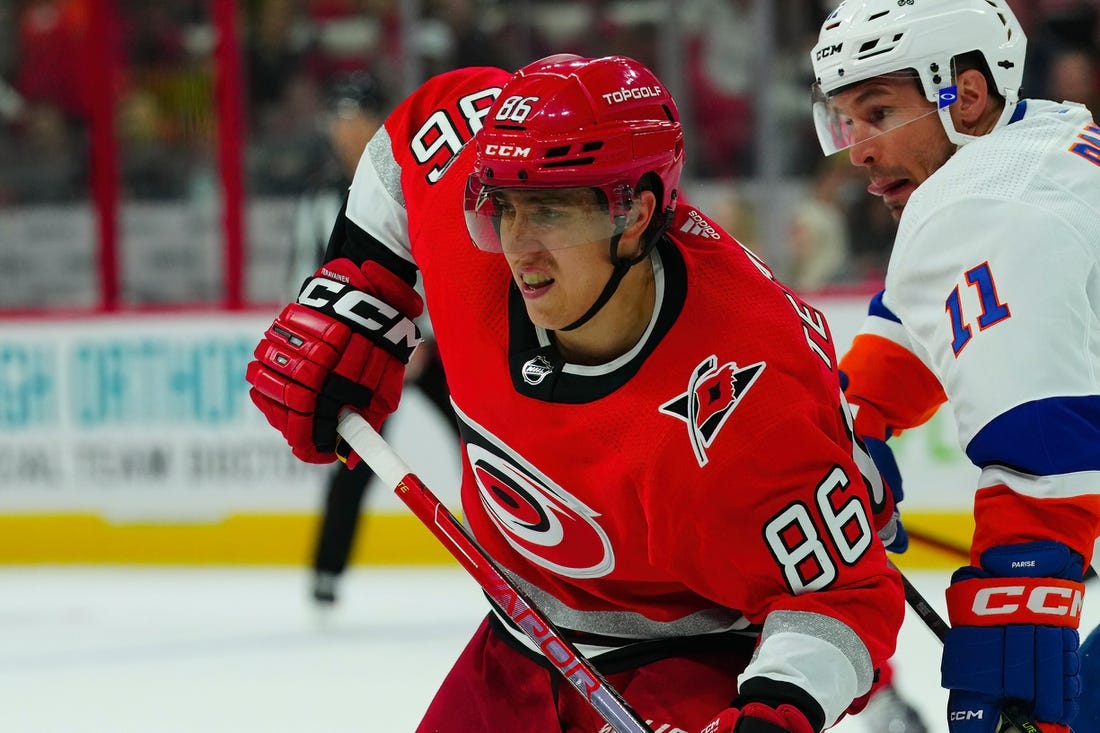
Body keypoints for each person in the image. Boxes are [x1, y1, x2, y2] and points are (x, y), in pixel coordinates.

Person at [247, 53, 905, 732]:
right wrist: (359, 284)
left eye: (552, 212)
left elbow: (843, 595)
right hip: (515, 639)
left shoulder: (745, 393)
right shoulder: (477, 240)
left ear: (637, 213)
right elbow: (425, 124)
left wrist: (770, 715)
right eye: (505, 207)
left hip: (674, 653)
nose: (519, 248)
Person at [809, 2, 1100, 732]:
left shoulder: (986, 204)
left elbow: (1044, 465)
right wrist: (858, 416)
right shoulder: (1036, 135)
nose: (858, 151)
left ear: (965, 95)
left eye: (877, 112)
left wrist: (1012, 676)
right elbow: (922, 309)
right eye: (846, 119)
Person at [287, 70, 458, 606]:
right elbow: (307, 273)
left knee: (483, 444)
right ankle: (326, 573)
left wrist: (422, 337)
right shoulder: (318, 196)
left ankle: (520, 558)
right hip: (362, 350)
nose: (346, 129)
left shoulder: (413, 176)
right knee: (355, 456)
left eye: (355, 117)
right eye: (337, 119)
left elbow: (436, 262)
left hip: (427, 346)